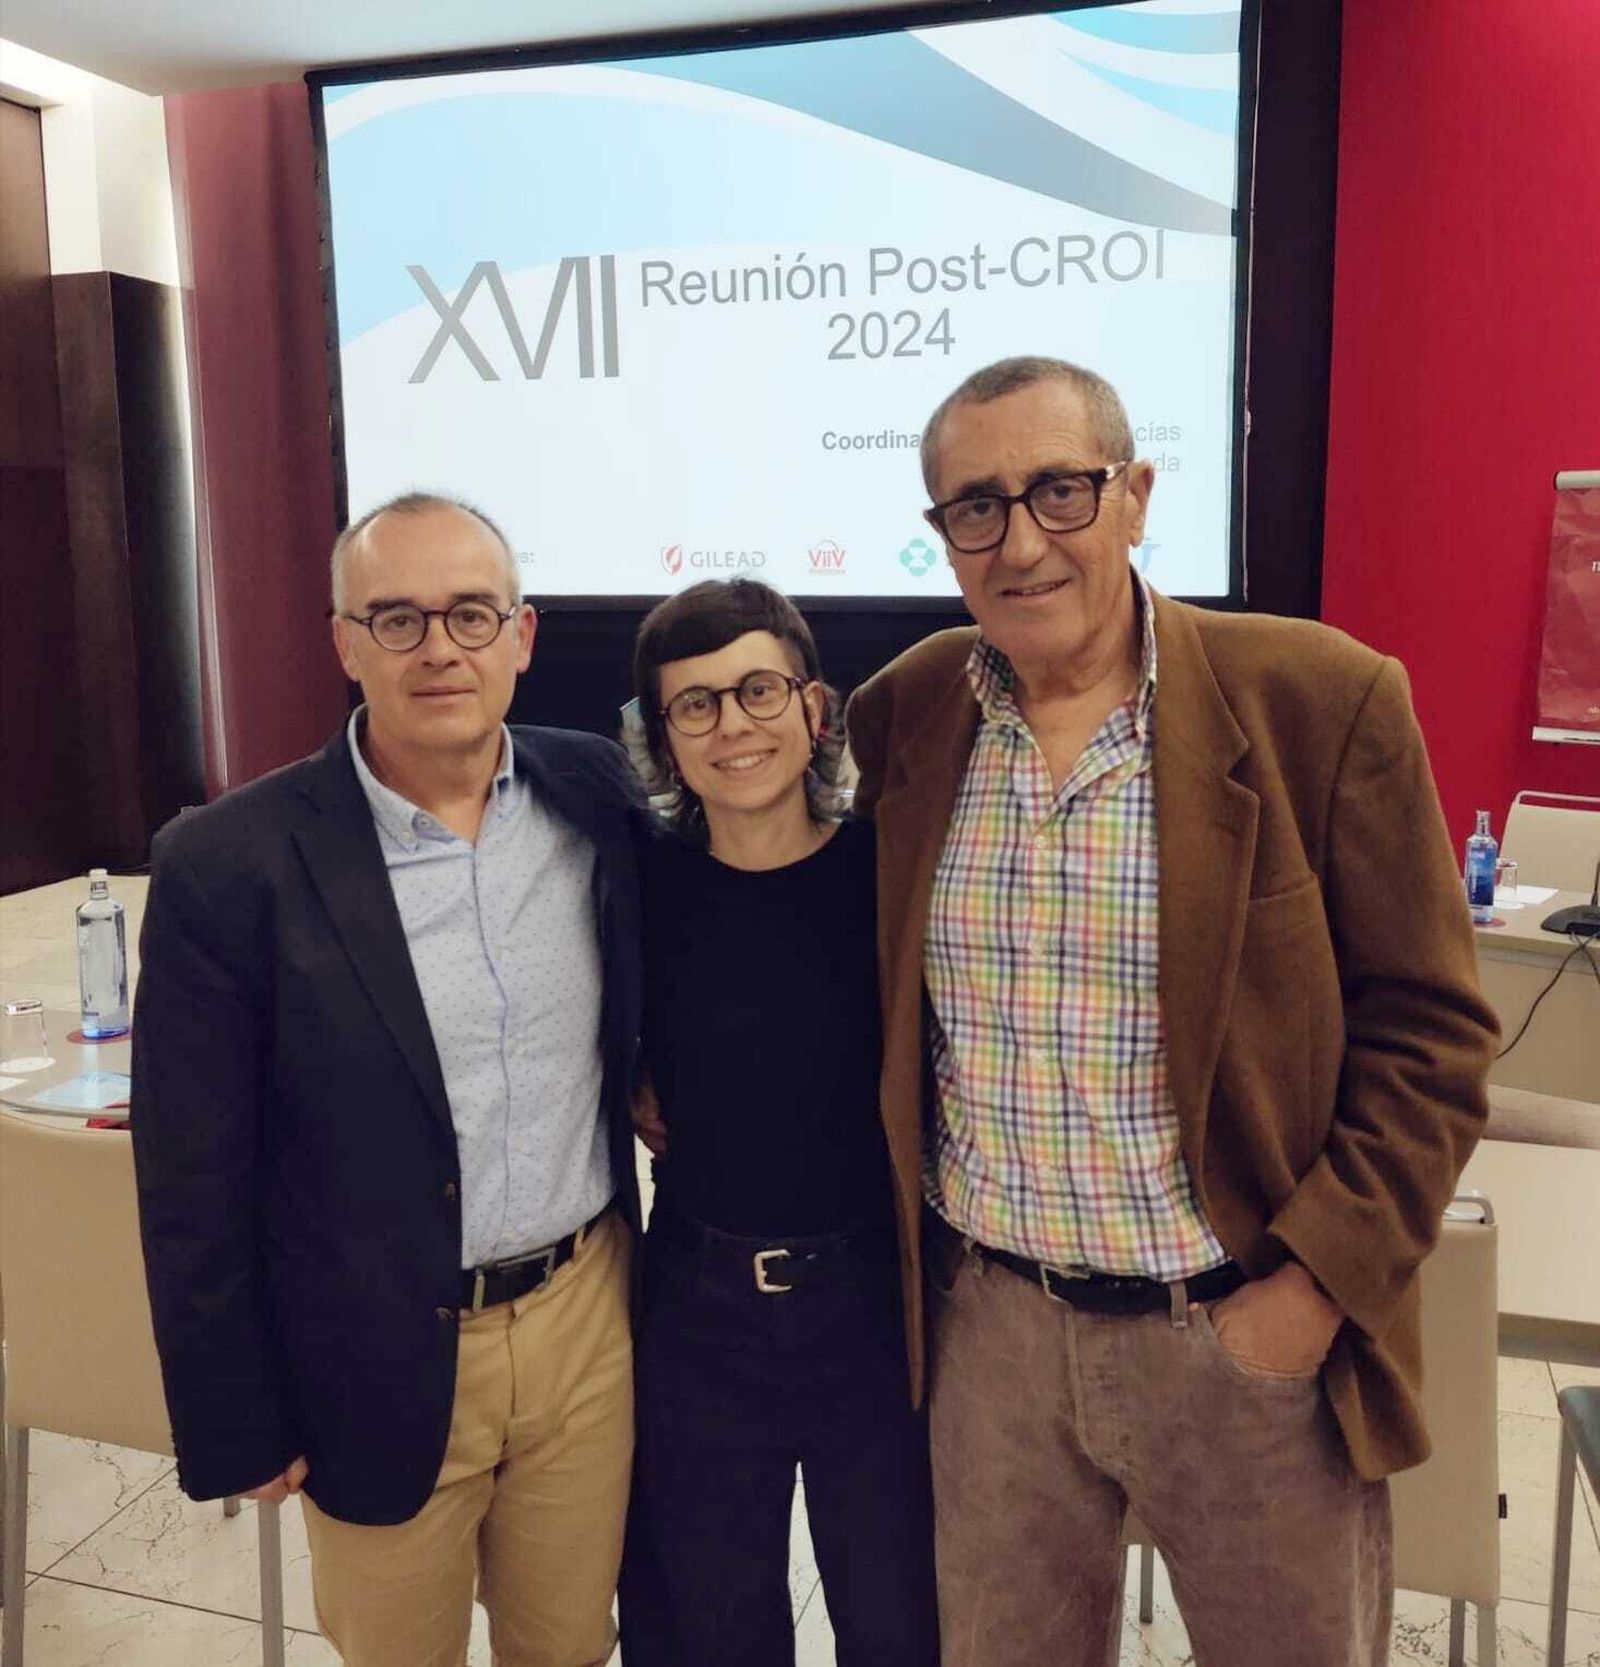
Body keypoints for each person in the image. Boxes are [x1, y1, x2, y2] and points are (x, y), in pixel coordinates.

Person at [845, 357, 1499, 1667]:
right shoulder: (908, 711)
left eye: (1061, 490)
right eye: (976, 506)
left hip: (1239, 1331)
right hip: (997, 1338)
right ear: (942, 533)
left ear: (1136, 494)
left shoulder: (1317, 697)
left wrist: (1308, 1289)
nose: (1020, 541)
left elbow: (1432, 1036)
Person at [131, 492, 644, 1667]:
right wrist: (233, 1412)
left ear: (521, 634)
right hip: (368, 1347)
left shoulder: (597, 796)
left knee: (569, 1644)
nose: (439, 648)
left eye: (471, 613)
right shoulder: (229, 863)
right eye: (397, 618)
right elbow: (190, 1174)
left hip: (584, 1320)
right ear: (345, 643)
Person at [617, 578, 938, 1667]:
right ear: (664, 739)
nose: (733, 725)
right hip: (697, 1304)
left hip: (874, 1304)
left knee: (901, 1624)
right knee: (707, 1629)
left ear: (814, 705)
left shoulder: (893, 878)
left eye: (758, 689)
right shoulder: (636, 885)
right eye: (695, 704)